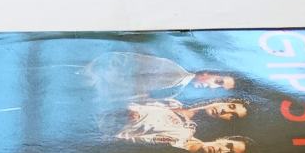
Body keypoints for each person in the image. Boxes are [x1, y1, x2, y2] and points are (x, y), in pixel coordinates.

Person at [83, 51, 235, 101]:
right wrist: (96, 75)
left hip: (94, 93)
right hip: (91, 79)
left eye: (218, 88)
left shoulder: (176, 91)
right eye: (218, 81)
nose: (212, 87)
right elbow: (126, 61)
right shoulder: (175, 72)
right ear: (209, 72)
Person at [112, 98, 248, 151]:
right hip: (111, 106)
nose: (225, 111)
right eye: (231, 106)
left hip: (109, 130)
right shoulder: (175, 100)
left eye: (232, 115)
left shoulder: (185, 133)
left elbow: (139, 140)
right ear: (224, 101)